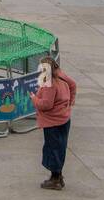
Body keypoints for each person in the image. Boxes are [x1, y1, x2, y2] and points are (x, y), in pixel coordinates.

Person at [29, 55, 77, 190]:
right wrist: (70, 102)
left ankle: (55, 179)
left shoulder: (50, 84)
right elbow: (73, 84)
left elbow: (46, 105)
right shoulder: (61, 76)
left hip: (53, 122)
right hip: (64, 119)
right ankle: (58, 176)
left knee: (53, 149)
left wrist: (34, 98)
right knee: (59, 147)